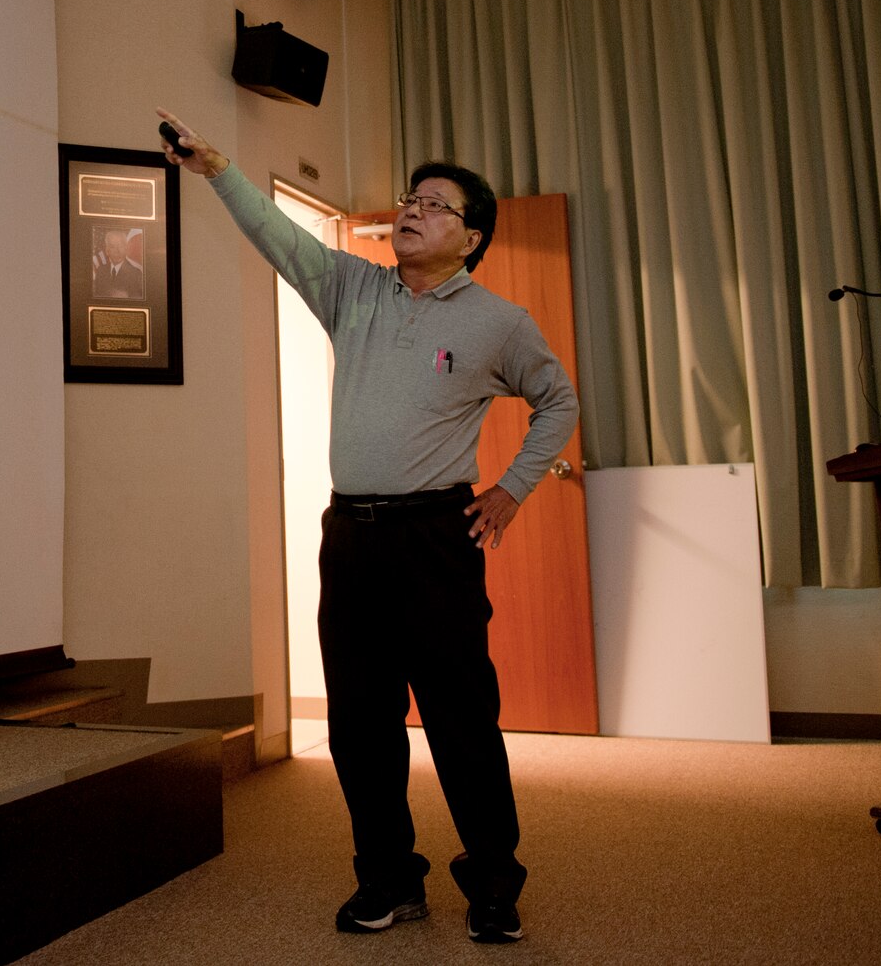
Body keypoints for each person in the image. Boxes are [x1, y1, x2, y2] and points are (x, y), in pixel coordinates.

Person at [155, 106, 577, 947]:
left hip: (435, 541)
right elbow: (276, 234)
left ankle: (494, 884)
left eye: (433, 204)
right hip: (351, 539)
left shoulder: (497, 322)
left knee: (461, 720)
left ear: (472, 237)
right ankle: (387, 879)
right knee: (358, 723)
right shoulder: (350, 285)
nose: (410, 211)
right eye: (408, 198)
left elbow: (556, 400)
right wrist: (217, 166)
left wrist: (513, 489)